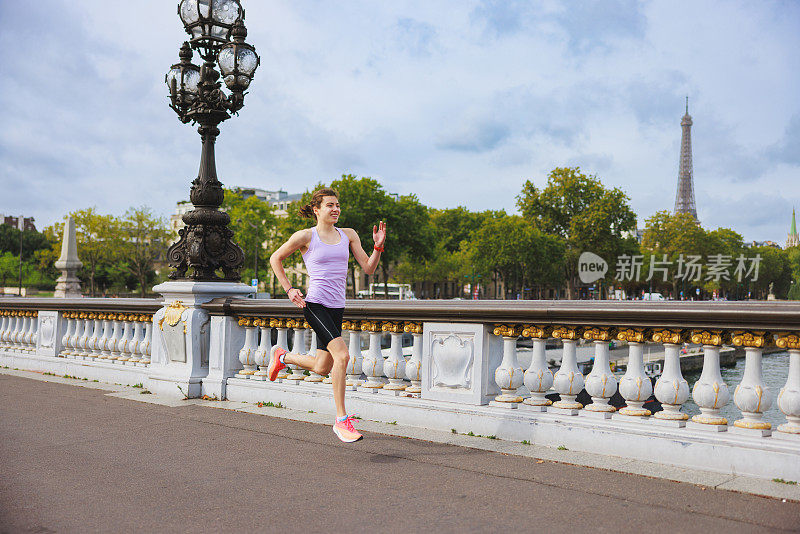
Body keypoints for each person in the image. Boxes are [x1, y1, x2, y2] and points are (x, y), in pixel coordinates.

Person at [268, 188, 386, 443]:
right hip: (316, 304)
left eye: (338, 205)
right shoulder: (305, 236)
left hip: (336, 307)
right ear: (316, 209)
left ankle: (283, 356)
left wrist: (378, 247)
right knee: (342, 356)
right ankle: (341, 420)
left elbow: (369, 268)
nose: (335, 209)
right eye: (330, 205)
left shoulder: (349, 235)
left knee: (323, 367)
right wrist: (289, 289)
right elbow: (275, 258)